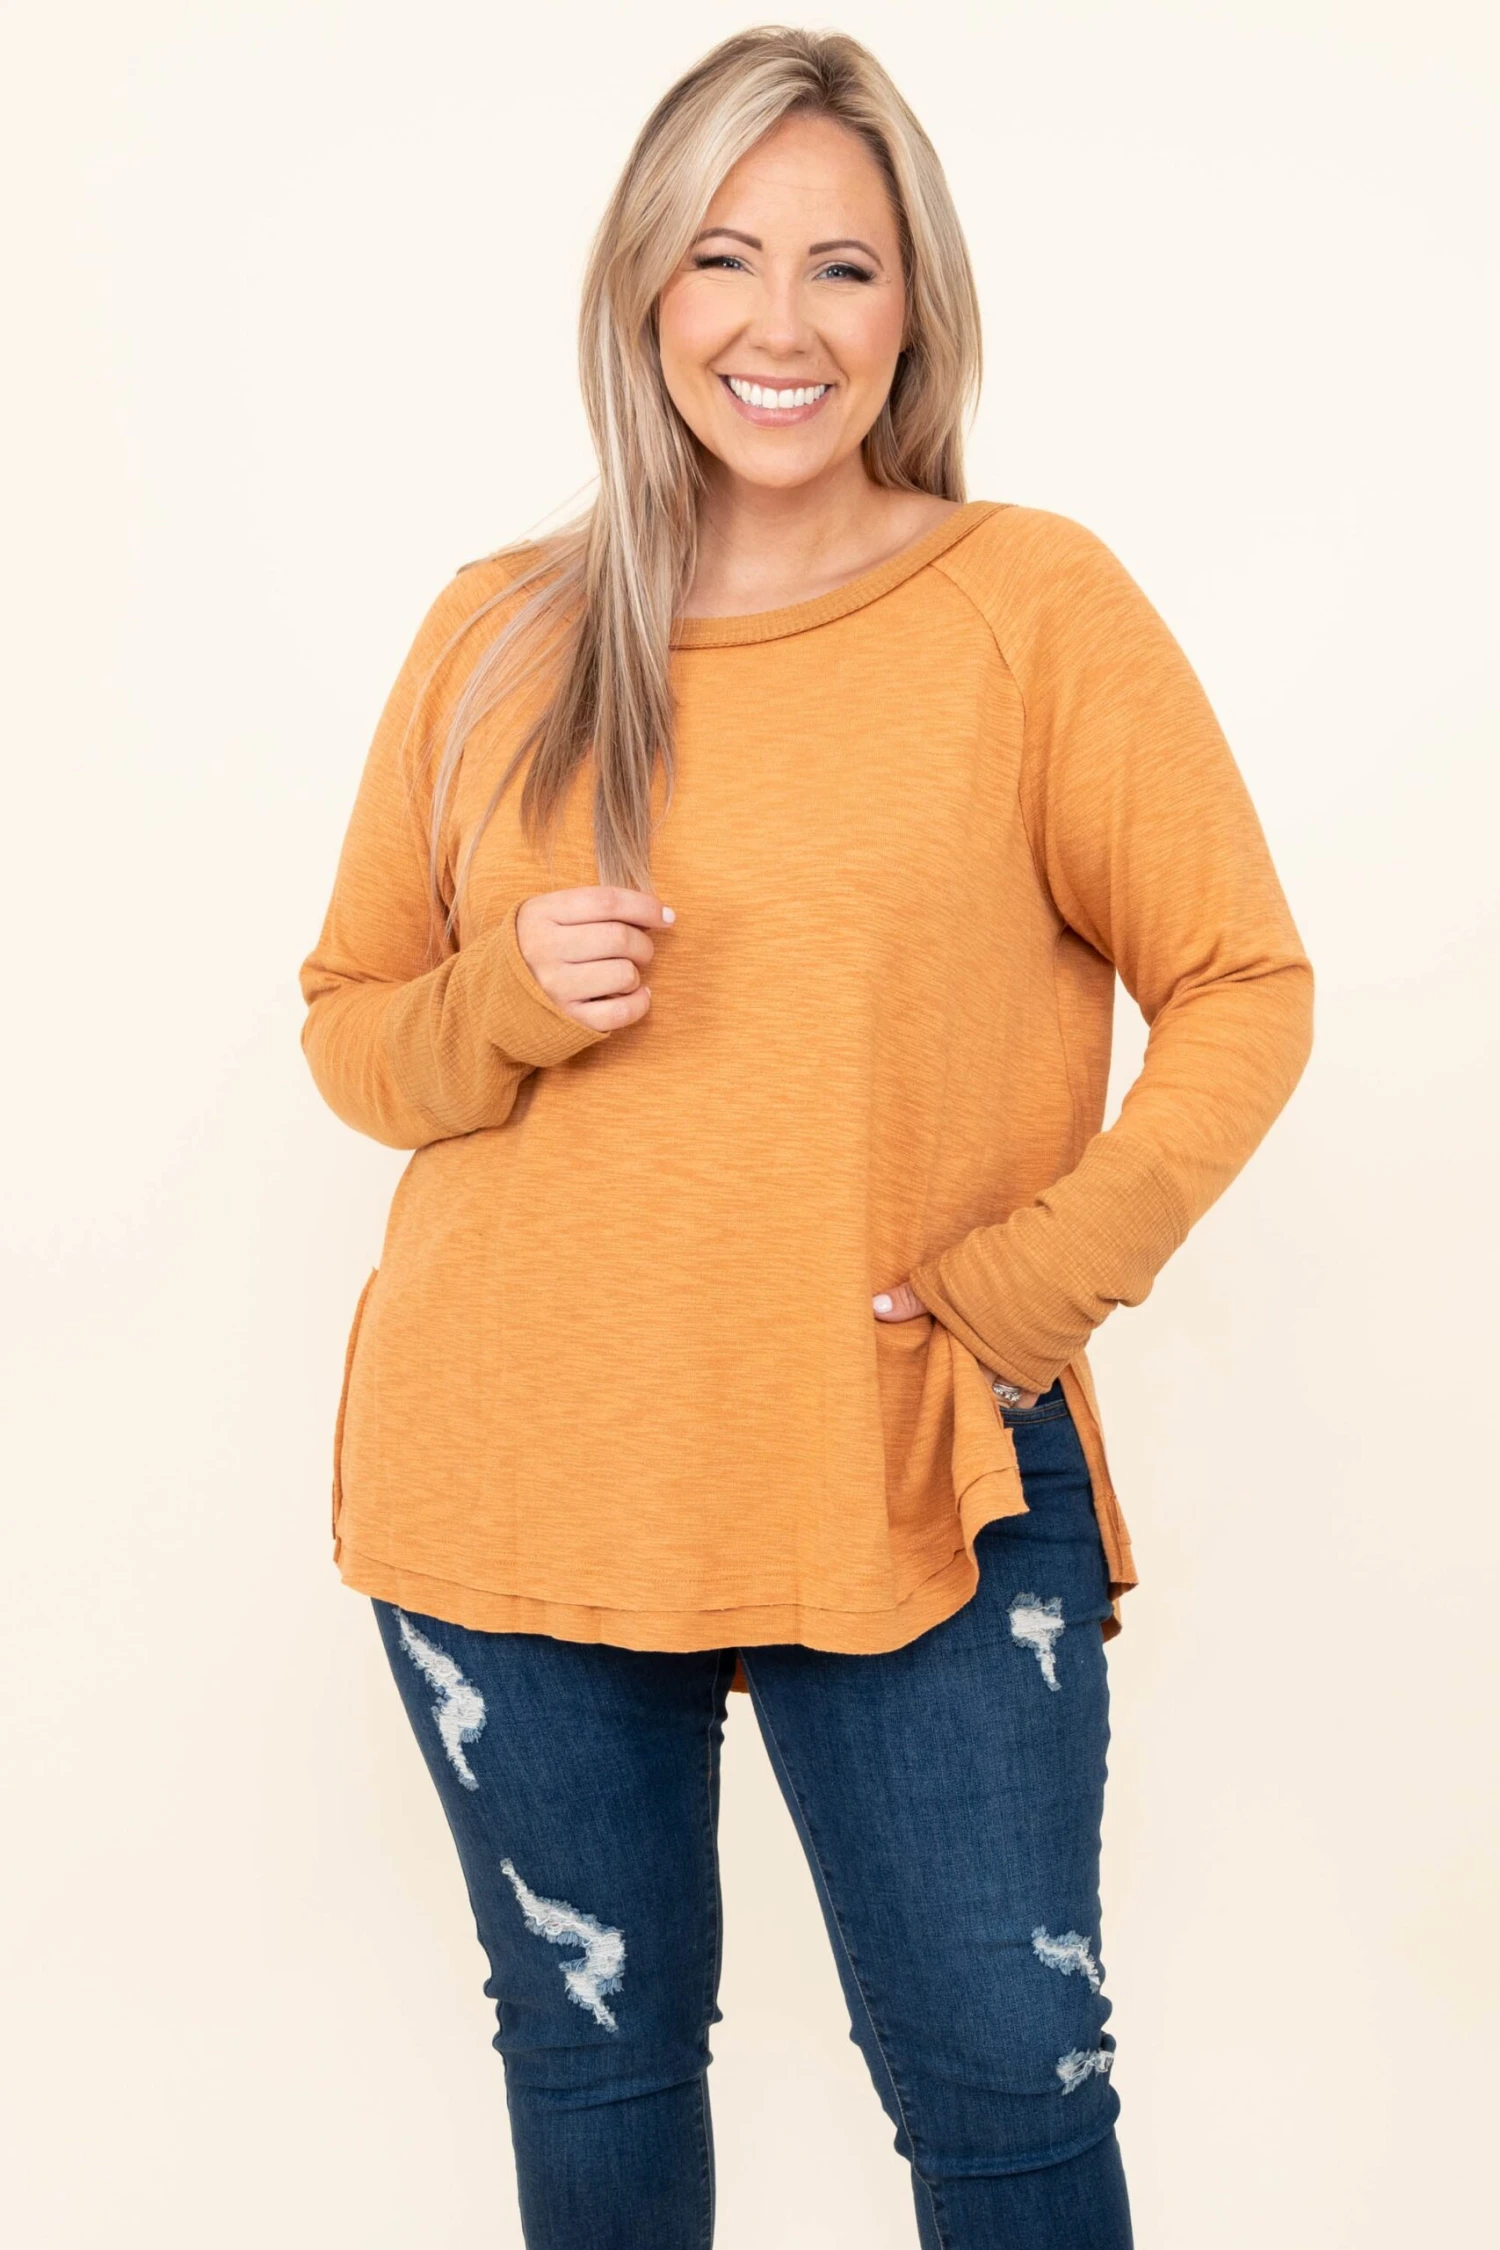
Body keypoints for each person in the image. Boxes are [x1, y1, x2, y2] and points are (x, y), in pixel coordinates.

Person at [297, 26, 1313, 2250]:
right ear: (643, 288)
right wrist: (498, 999)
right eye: (725, 258)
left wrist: (1030, 1289)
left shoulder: (1028, 607)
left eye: (843, 266)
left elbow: (1246, 981)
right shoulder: (499, 630)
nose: (782, 324)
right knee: (592, 2067)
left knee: (1011, 2101)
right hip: (513, 1475)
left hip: (915, 1463)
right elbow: (352, 1033)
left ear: (914, 306)